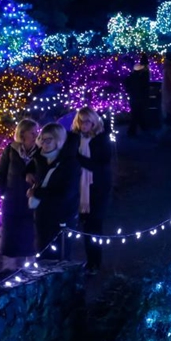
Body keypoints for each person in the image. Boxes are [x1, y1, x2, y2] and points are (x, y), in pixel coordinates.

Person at [28, 123, 80, 260]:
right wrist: (27, 173)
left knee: (59, 255)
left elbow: (66, 193)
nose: (44, 143)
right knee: (42, 251)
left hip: (62, 216)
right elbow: (31, 168)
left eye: (49, 140)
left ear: (59, 140)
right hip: (42, 214)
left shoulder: (70, 163)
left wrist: (37, 193)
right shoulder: (40, 157)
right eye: (42, 139)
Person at [71, 107, 112, 275]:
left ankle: (95, 262)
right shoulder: (74, 139)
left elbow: (100, 166)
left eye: (87, 121)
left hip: (97, 188)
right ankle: (89, 261)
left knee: (94, 226)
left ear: (94, 122)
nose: (84, 124)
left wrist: (79, 159)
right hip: (79, 187)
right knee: (85, 227)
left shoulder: (101, 139)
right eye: (81, 121)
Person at [0, 119, 39, 270]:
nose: (35, 135)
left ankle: (30, 264)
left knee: (30, 231)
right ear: (22, 133)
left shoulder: (40, 151)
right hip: (12, 198)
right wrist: (4, 191)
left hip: (31, 198)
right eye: (32, 132)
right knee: (10, 231)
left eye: (36, 132)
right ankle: (9, 266)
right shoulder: (11, 150)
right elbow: (1, 172)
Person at [125, 54, 151, 136]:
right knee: (138, 114)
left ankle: (140, 129)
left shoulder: (132, 76)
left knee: (136, 114)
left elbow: (126, 84)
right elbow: (145, 87)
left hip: (133, 97)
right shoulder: (142, 76)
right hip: (140, 98)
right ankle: (134, 130)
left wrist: (129, 91)